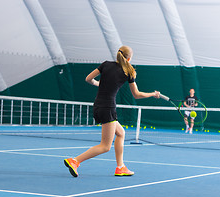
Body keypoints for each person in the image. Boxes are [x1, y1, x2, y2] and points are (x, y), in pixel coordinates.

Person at [64, 46, 160, 177]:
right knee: (105, 146)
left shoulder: (105, 64)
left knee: (121, 133)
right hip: (107, 108)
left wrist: (99, 84)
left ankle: (120, 167)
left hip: (98, 105)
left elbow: (88, 79)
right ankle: (75, 161)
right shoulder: (129, 72)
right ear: (129, 58)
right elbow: (136, 94)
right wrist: (152, 94)